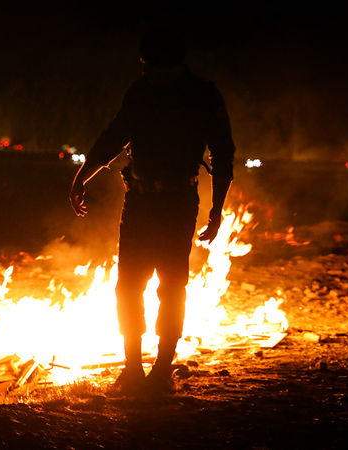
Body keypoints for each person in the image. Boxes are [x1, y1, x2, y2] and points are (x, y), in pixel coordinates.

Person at [69, 30, 235, 394]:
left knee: (172, 284)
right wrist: (83, 176)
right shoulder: (141, 92)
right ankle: (132, 368)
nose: (144, 71)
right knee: (128, 284)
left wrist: (217, 209)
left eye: (148, 65)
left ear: (167, 64)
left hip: (178, 203)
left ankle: (162, 369)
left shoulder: (203, 96)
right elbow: (114, 136)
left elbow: (224, 153)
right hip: (139, 201)